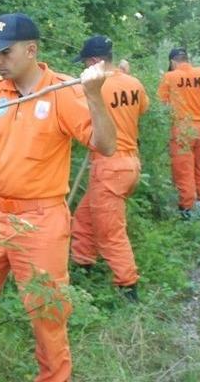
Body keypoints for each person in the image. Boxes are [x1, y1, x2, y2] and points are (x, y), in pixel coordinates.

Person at [0, 13, 116, 381]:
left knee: (48, 314)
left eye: (5, 53)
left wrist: (94, 95)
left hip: (42, 221)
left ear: (31, 50)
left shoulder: (62, 91)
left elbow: (106, 145)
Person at [69, 36, 149, 301]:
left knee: (110, 234)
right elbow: (142, 109)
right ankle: (83, 267)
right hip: (130, 164)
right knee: (84, 218)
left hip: (109, 167)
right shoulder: (133, 83)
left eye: (85, 63)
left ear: (94, 61)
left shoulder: (91, 88)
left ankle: (129, 288)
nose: (84, 69)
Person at [157, 47, 200, 218]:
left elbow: (161, 105)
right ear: (187, 59)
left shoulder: (169, 77)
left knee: (183, 172)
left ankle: (186, 213)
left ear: (173, 62)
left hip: (182, 130)